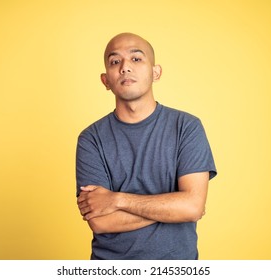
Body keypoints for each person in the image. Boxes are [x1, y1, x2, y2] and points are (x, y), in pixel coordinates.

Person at [76, 32, 217, 260]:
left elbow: (192, 207)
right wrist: (175, 207)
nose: (125, 67)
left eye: (136, 59)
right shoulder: (91, 139)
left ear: (155, 72)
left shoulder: (187, 127)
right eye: (115, 61)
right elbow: (100, 222)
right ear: (106, 80)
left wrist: (117, 200)